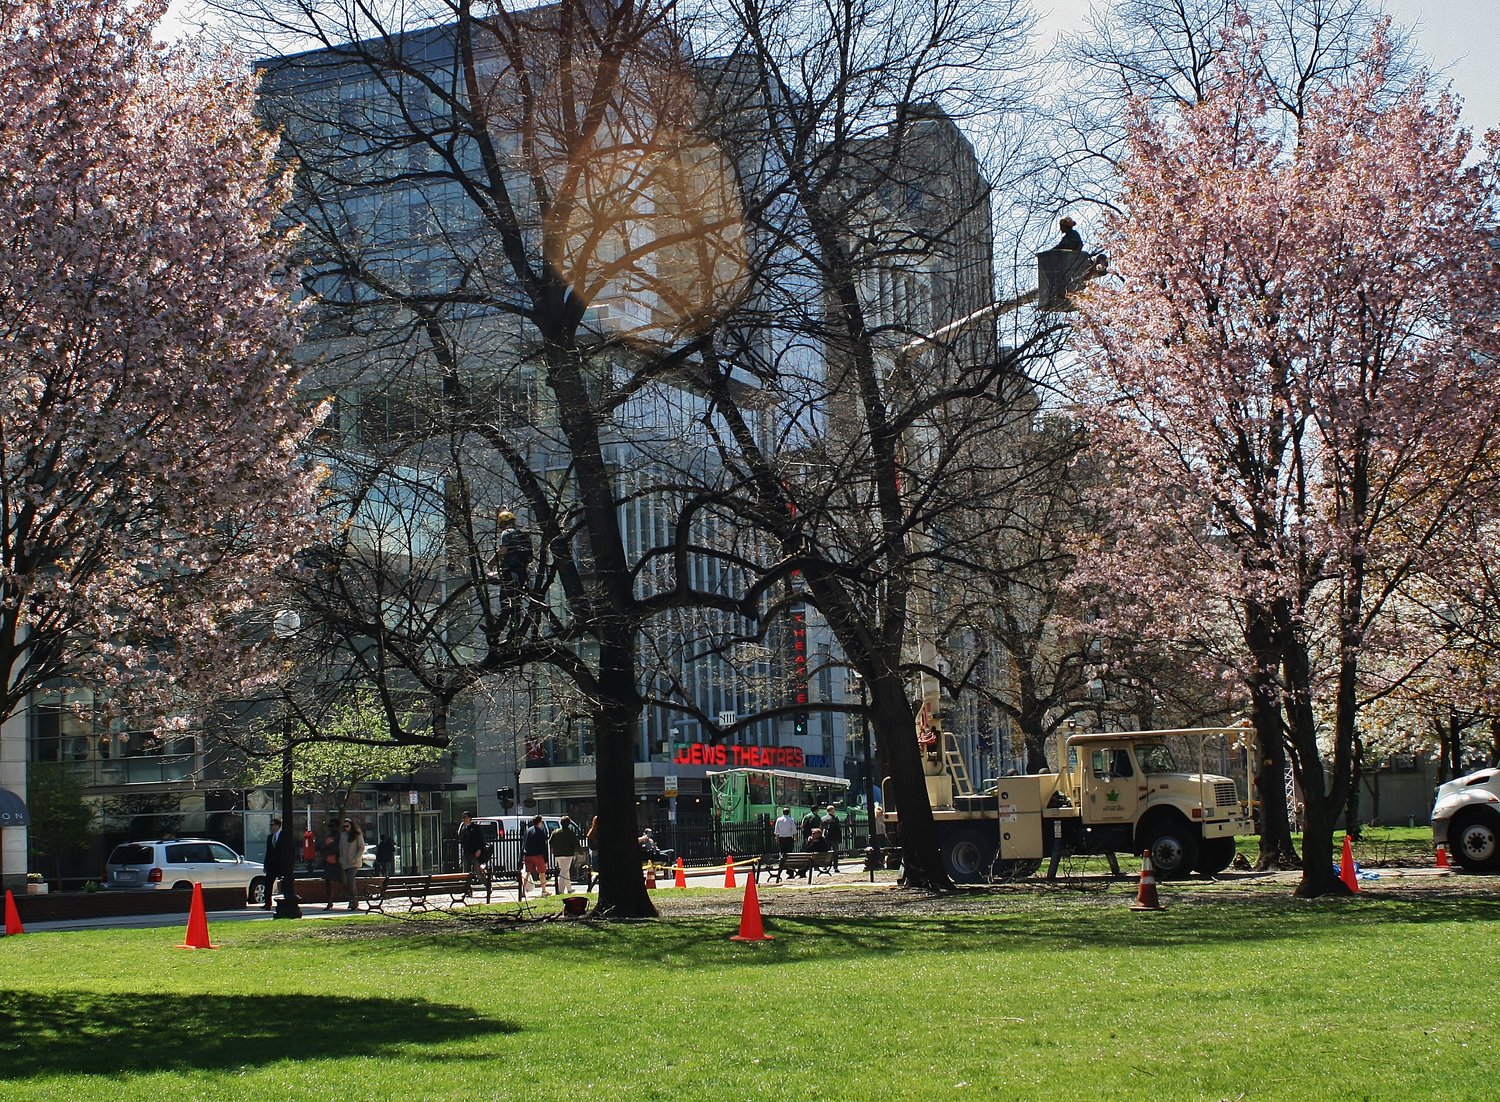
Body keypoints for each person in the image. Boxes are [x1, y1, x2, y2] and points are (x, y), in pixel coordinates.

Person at [339, 818, 366, 912]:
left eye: (347, 826)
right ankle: (352, 899)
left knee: (350, 879)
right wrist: (341, 859)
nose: (346, 828)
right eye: (344, 826)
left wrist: (356, 858)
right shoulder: (342, 835)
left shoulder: (357, 834)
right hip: (345, 862)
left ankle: (354, 901)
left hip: (354, 862)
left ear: (351, 826)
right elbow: (341, 848)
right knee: (347, 882)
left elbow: (361, 847)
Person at [550, 815, 580, 894]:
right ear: (569, 823)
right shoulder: (570, 832)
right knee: (564, 871)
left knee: (564, 871)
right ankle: (560, 890)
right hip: (568, 854)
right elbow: (575, 843)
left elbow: (550, 841)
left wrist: (553, 849)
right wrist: (580, 851)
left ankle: (569, 888)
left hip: (557, 854)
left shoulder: (556, 832)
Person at [521, 814, 550, 897]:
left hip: (528, 855)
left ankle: (522, 890)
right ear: (540, 822)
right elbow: (543, 846)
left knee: (527, 872)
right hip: (538, 855)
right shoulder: (540, 832)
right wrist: (546, 859)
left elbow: (524, 843)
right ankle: (544, 890)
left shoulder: (528, 831)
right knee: (542, 873)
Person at [457, 812, 489, 884]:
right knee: (466, 873)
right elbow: (462, 840)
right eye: (463, 817)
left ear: (469, 818)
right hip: (466, 853)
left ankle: (487, 886)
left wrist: (479, 849)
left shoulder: (476, 828)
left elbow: (481, 839)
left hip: (475, 853)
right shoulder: (463, 829)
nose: (463, 819)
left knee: (478, 871)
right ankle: (467, 890)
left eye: (465, 817)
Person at [261, 817, 284, 910]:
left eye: (272, 825)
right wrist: (265, 865)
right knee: (268, 883)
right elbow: (268, 852)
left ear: (278, 826)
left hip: (281, 865)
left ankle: (285, 903)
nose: (271, 827)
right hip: (271, 865)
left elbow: (289, 851)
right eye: (270, 825)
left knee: (285, 884)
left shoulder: (284, 836)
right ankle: (267, 904)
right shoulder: (270, 837)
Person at [319, 818, 342, 909]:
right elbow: (322, 847)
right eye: (330, 826)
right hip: (328, 862)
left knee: (342, 881)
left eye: (333, 826)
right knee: (328, 882)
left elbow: (337, 848)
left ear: (337, 826)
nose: (331, 828)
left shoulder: (339, 836)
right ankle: (329, 902)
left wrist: (328, 849)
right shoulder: (327, 836)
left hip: (337, 862)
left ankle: (352, 899)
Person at [772, 806, 797, 881]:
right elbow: (794, 830)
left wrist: (777, 838)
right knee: (789, 855)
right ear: (788, 812)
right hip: (789, 838)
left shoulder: (779, 820)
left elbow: (776, 831)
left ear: (782, 812)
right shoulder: (791, 820)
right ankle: (790, 871)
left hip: (782, 839)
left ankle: (781, 870)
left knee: (782, 855)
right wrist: (795, 838)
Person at [822, 805, 843, 872]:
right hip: (834, 837)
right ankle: (835, 867)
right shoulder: (835, 818)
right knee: (835, 853)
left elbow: (821, 828)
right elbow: (838, 829)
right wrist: (840, 838)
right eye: (834, 810)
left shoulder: (823, 819)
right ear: (831, 810)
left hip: (826, 838)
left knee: (827, 852)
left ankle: (825, 866)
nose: (834, 811)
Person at [585, 815, 600, 891]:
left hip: (594, 854)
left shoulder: (591, 832)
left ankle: (590, 887)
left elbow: (590, 846)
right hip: (600, 854)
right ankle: (590, 887)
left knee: (597, 873)